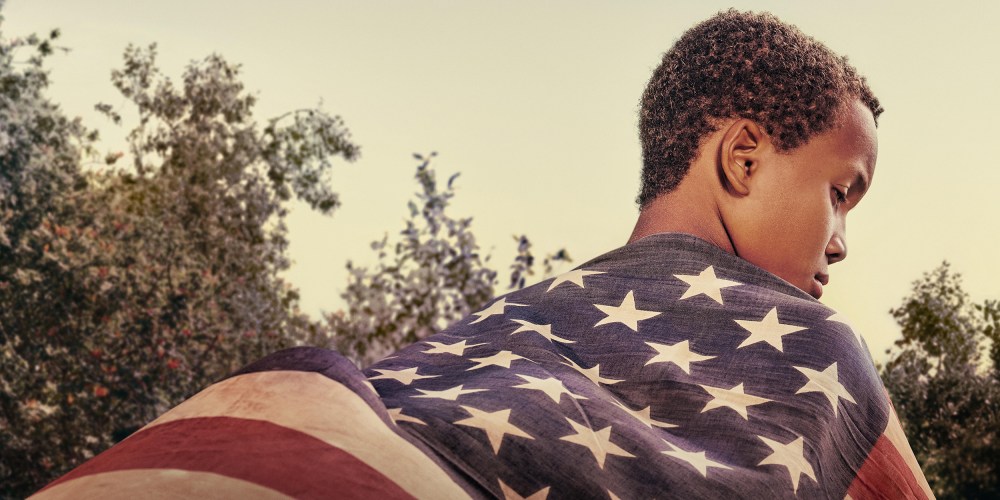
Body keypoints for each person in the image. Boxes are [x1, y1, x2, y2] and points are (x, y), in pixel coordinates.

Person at [33, 10, 931, 500]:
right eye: (840, 193)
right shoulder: (813, 345)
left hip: (280, 419)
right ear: (742, 158)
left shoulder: (511, 318)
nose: (842, 243)